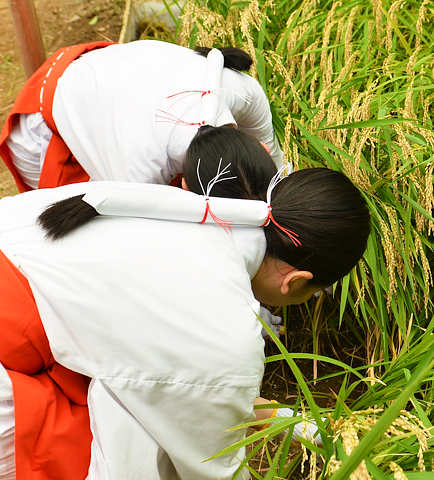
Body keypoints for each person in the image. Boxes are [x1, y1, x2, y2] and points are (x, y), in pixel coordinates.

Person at [0, 131, 370, 479]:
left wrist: (295, 421)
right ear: (296, 281)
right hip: (12, 355)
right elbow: (211, 465)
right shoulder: (224, 330)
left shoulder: (191, 211)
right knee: (132, 438)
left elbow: (189, 382)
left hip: (25, 306)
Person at [0, 40, 283, 192]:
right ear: (184, 186)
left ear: (261, 149)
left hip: (111, 82)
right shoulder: (138, 171)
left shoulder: (244, 91)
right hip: (43, 124)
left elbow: (278, 171)